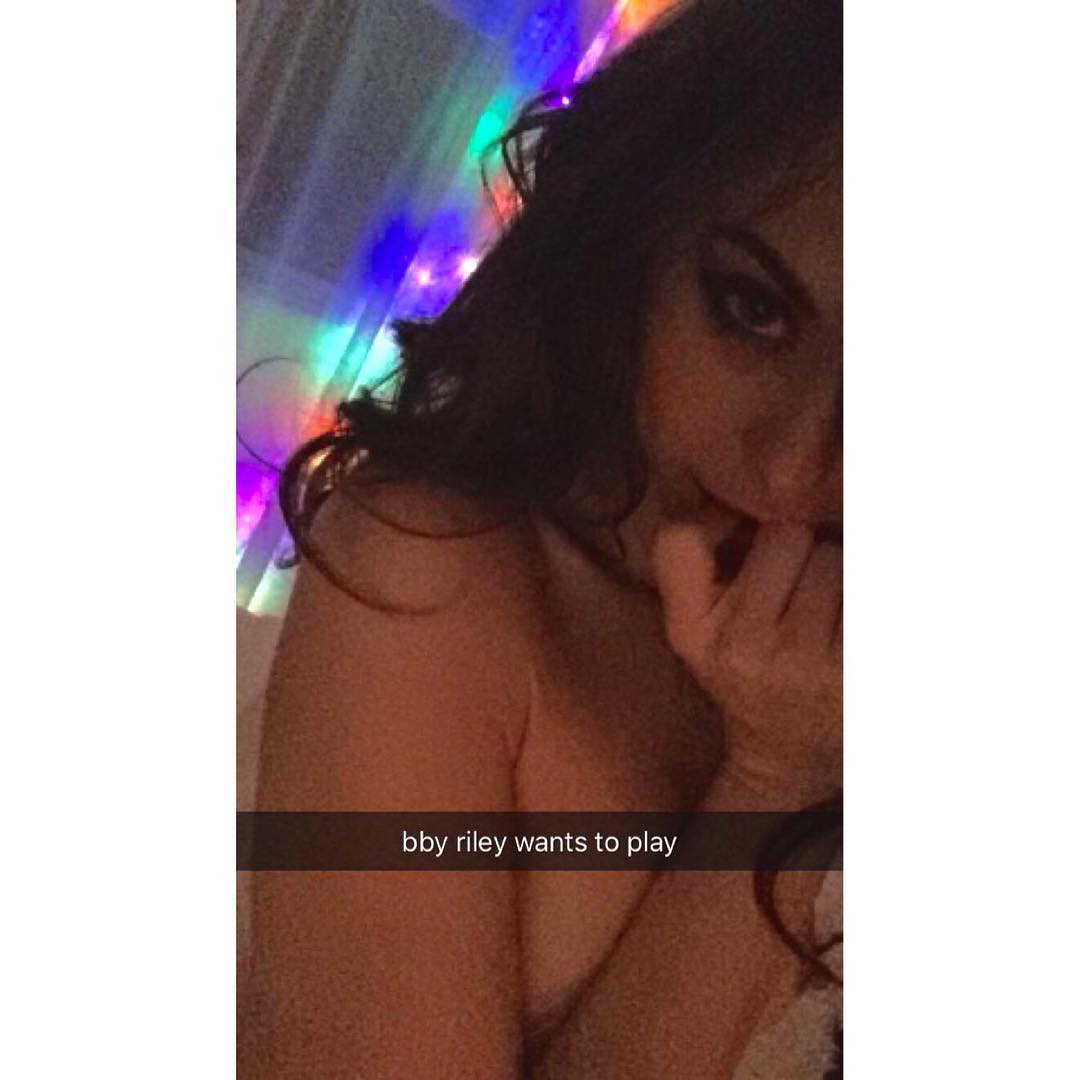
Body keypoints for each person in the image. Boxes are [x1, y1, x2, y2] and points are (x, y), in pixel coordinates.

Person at [240, 1, 843, 1076]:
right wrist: (773, 780)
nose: (797, 470)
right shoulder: (433, 572)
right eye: (753, 311)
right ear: (637, 242)